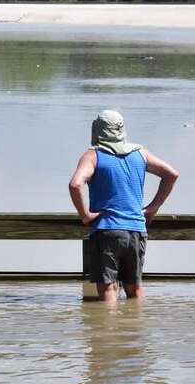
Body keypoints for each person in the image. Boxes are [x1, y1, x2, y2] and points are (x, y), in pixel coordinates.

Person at [69, 109, 179, 303]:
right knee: (134, 288)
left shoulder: (93, 155)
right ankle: (134, 330)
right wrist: (153, 208)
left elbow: (75, 184)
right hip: (136, 229)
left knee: (108, 287)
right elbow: (171, 174)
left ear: (97, 130)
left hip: (107, 230)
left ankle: (108, 331)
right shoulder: (141, 154)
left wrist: (85, 215)